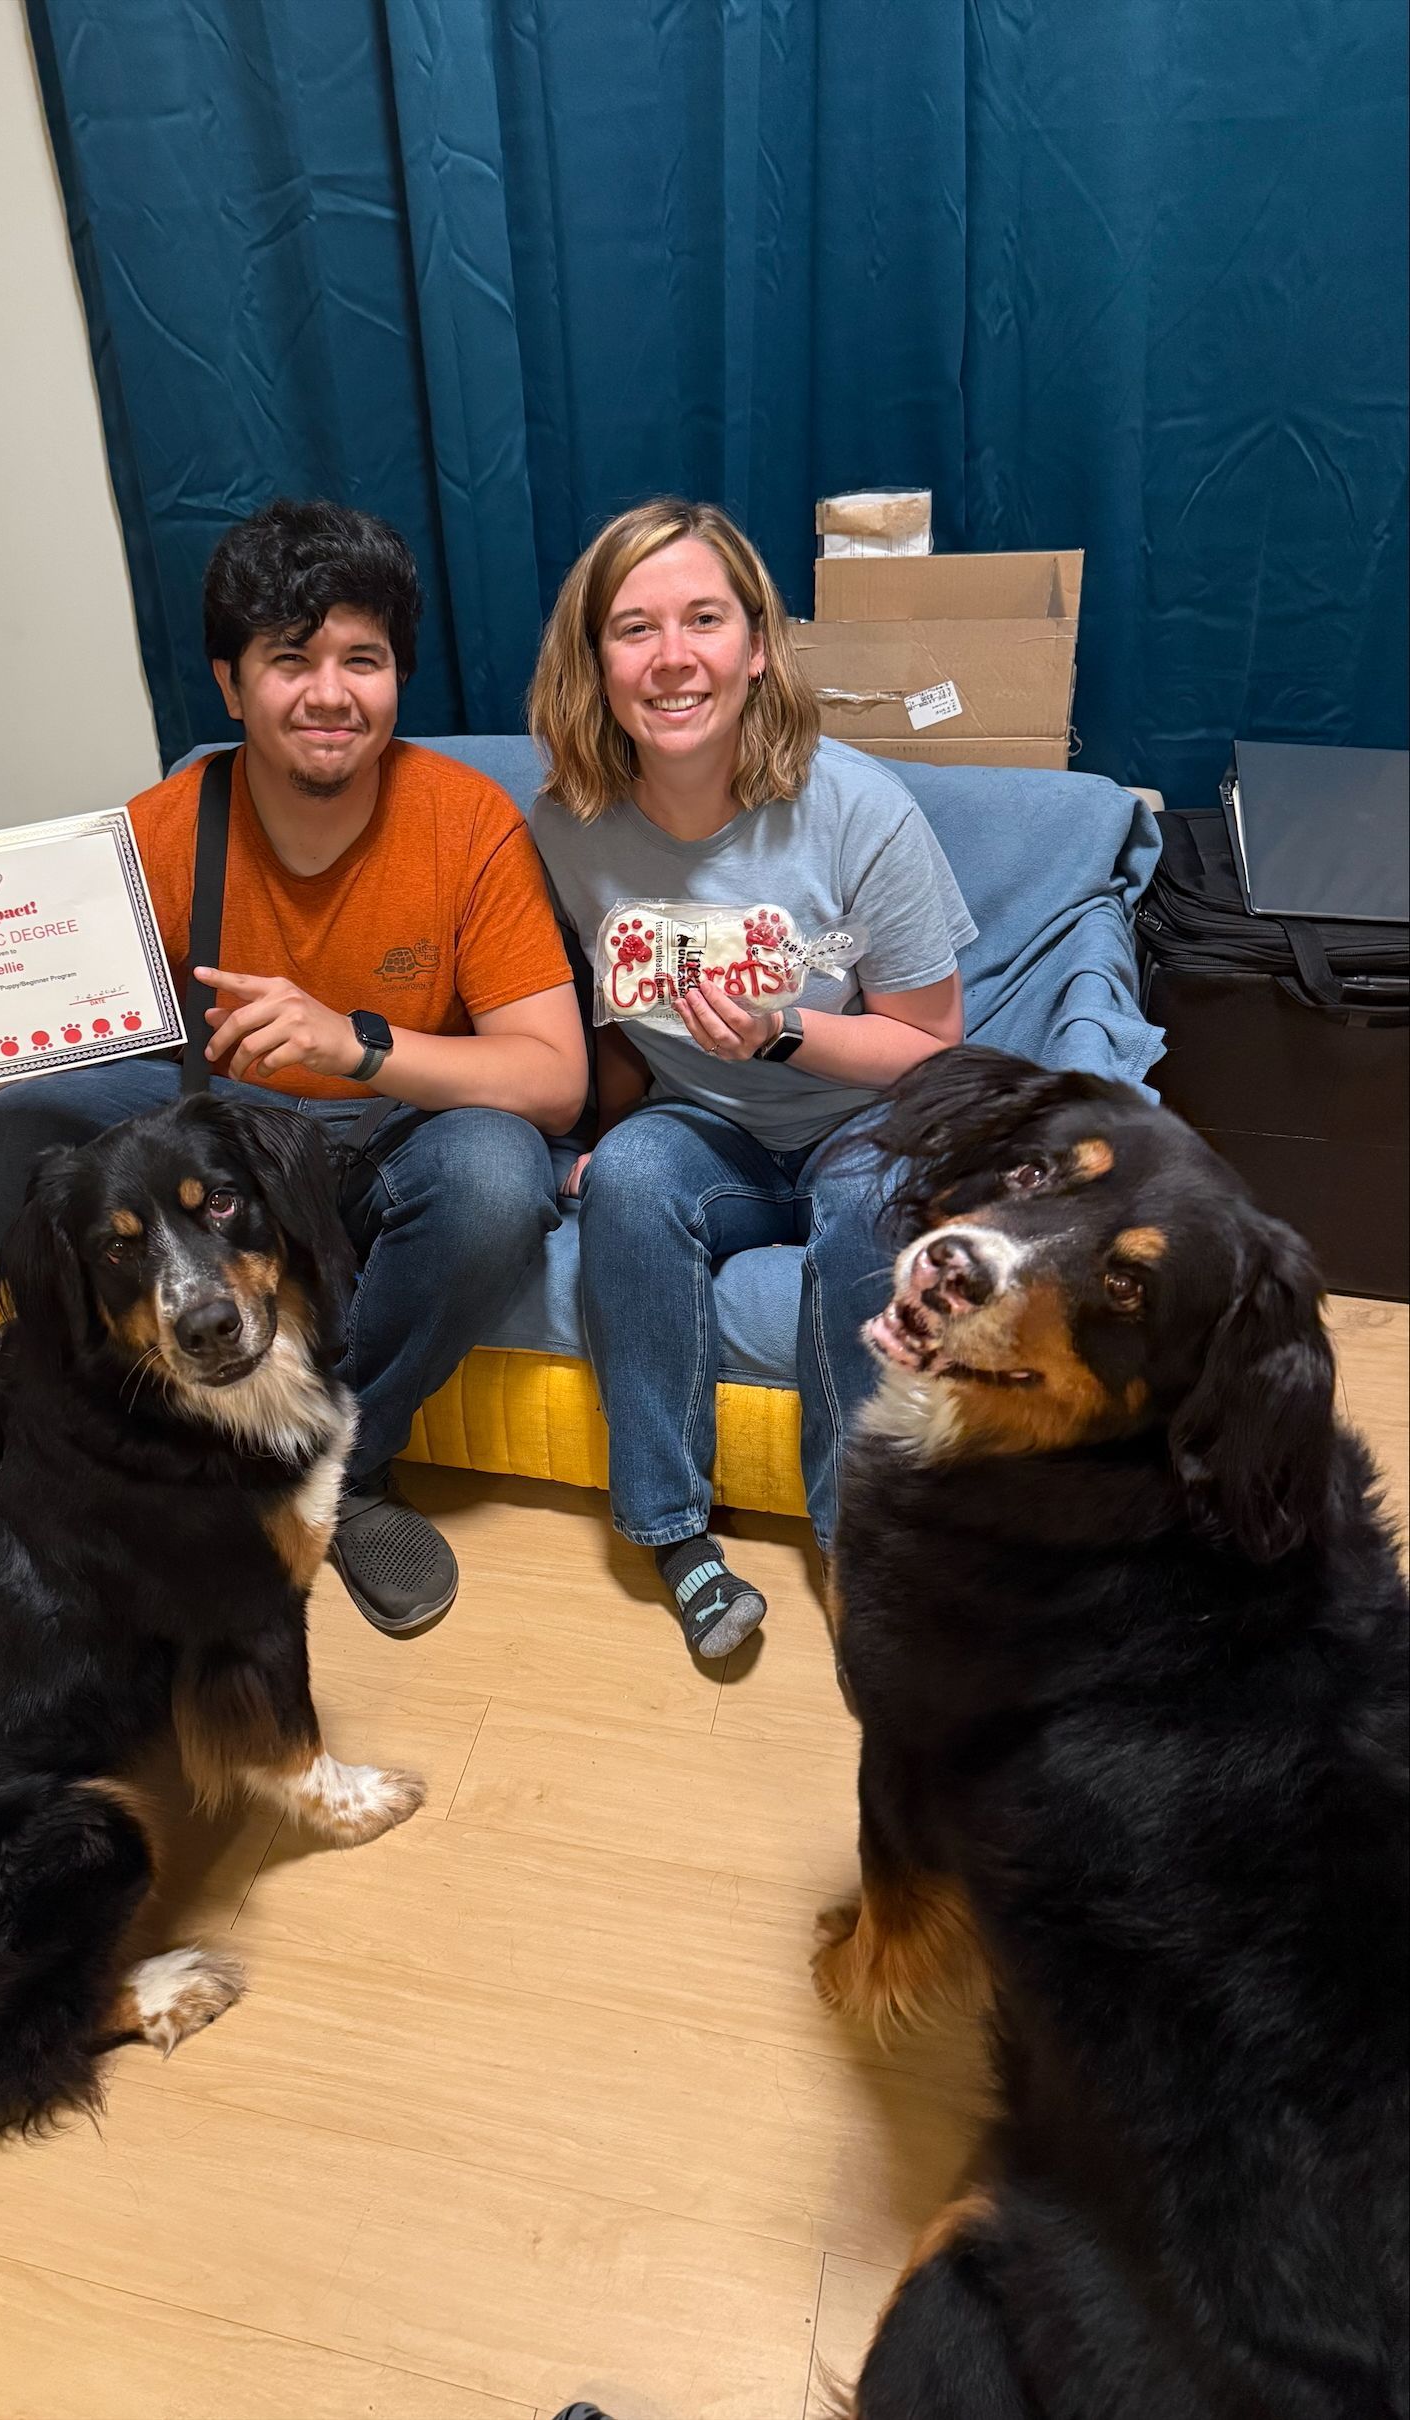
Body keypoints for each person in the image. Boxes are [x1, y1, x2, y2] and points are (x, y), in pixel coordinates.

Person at [0, 499, 587, 1637]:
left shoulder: (467, 823)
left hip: (402, 1132)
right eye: (289, 659)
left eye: (361, 659)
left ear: (397, 678)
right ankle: (160, 1436)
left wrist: (352, 1042)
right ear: (229, 684)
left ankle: (339, 1459)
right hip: (220, 1153)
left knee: (499, 1176)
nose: (329, 692)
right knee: (10, 1133)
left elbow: (553, 1078)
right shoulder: (162, 830)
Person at [528, 498, 974, 1660]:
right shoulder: (570, 828)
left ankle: (855, 1540)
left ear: (757, 644)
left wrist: (782, 1035)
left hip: (861, 1114)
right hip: (701, 1125)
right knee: (626, 1176)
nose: (672, 657)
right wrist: (586, 1125)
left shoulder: (859, 809)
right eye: (633, 628)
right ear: (594, 658)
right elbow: (605, 1016)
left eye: (703, 620)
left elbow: (932, 1043)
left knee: (874, 1206)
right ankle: (675, 1536)